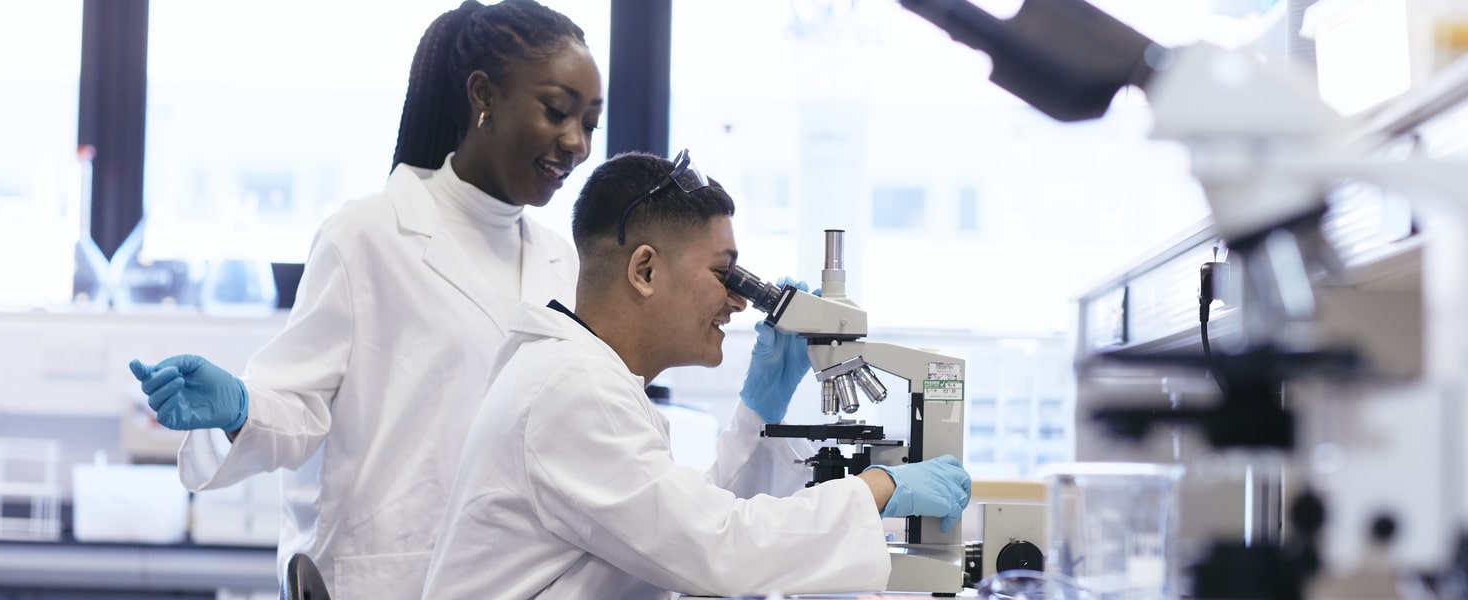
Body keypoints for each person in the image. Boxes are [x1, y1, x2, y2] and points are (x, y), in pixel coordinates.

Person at [125, 1, 604, 597]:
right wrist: (240, 408)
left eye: (590, 123)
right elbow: (298, 406)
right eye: (557, 111)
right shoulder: (368, 235)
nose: (576, 143)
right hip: (384, 577)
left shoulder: (564, 263)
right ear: (483, 95)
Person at [421, 151, 973, 599]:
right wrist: (880, 487)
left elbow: (680, 528)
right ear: (645, 270)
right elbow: (719, 549)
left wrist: (759, 411)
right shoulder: (572, 389)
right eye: (723, 273)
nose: (738, 301)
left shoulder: (582, 376)